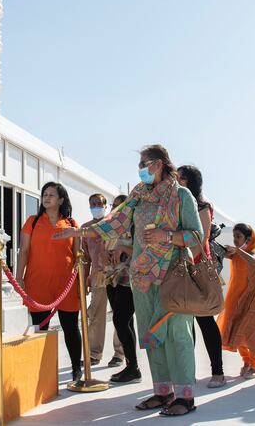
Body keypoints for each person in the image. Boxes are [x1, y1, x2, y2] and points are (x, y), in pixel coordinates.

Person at [55, 145, 204, 416]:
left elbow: (196, 236)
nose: (140, 169)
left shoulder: (181, 196)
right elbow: (115, 222)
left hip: (173, 276)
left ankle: (185, 396)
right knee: (151, 334)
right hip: (142, 278)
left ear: (158, 164)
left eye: (143, 163)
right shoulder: (138, 195)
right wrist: (78, 233)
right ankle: (163, 391)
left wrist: (166, 237)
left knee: (176, 334)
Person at [15, 182, 83, 382]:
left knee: (71, 327)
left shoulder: (72, 224)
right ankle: (40, 371)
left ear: (61, 200)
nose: (46, 198)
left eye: (51, 195)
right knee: (39, 329)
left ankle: (75, 368)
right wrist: (19, 278)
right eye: (45, 194)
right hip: (38, 283)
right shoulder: (32, 222)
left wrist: (80, 281)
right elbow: (24, 251)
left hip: (67, 285)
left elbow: (78, 256)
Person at [176, 165, 226, 388]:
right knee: (185, 323)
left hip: (198, 268)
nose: (176, 182)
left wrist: (186, 260)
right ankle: (188, 372)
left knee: (205, 320)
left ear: (190, 182)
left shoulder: (203, 206)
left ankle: (218, 372)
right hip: (180, 268)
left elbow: (201, 238)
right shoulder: (175, 205)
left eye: (181, 179)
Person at [217, 223, 255, 379]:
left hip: (254, 299)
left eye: (238, 237)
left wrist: (239, 251)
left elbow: (254, 261)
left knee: (252, 333)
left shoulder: (254, 252)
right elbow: (221, 252)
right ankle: (247, 362)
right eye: (234, 236)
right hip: (237, 298)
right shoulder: (236, 254)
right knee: (236, 330)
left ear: (248, 239)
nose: (235, 240)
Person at [82, 193, 125, 368]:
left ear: (106, 205)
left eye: (100, 203)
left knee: (120, 315)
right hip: (97, 275)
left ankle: (120, 353)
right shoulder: (86, 229)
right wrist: (85, 278)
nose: (97, 206)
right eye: (93, 204)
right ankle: (94, 353)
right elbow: (84, 258)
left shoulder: (114, 225)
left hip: (118, 275)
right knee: (96, 315)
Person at [104, 194, 141, 383]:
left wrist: (124, 250)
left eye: (121, 206)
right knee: (125, 323)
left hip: (130, 279)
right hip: (112, 278)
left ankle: (132, 367)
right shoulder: (112, 227)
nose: (116, 210)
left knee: (120, 320)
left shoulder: (137, 226)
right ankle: (131, 366)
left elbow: (144, 252)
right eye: (114, 206)